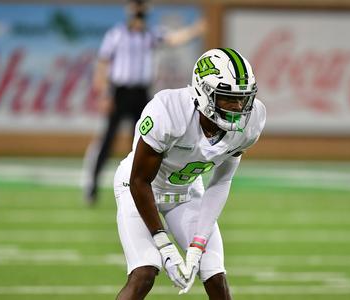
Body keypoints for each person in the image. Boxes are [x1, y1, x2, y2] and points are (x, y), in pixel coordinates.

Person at [113, 48, 266, 299]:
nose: (239, 107)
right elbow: (139, 180)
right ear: (204, 93)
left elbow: (222, 181)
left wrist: (197, 245)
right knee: (145, 272)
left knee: (214, 274)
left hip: (185, 191)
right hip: (139, 189)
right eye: (228, 97)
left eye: (243, 98)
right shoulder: (168, 111)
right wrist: (164, 244)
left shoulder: (252, 120)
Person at [83, 0, 206, 205]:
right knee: (108, 141)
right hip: (120, 92)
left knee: (140, 142)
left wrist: (195, 30)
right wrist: (104, 93)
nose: (139, 14)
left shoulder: (151, 34)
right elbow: (103, 63)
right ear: (131, 11)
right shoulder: (116, 34)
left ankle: (133, 187)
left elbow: (174, 39)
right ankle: (92, 187)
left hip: (141, 93)